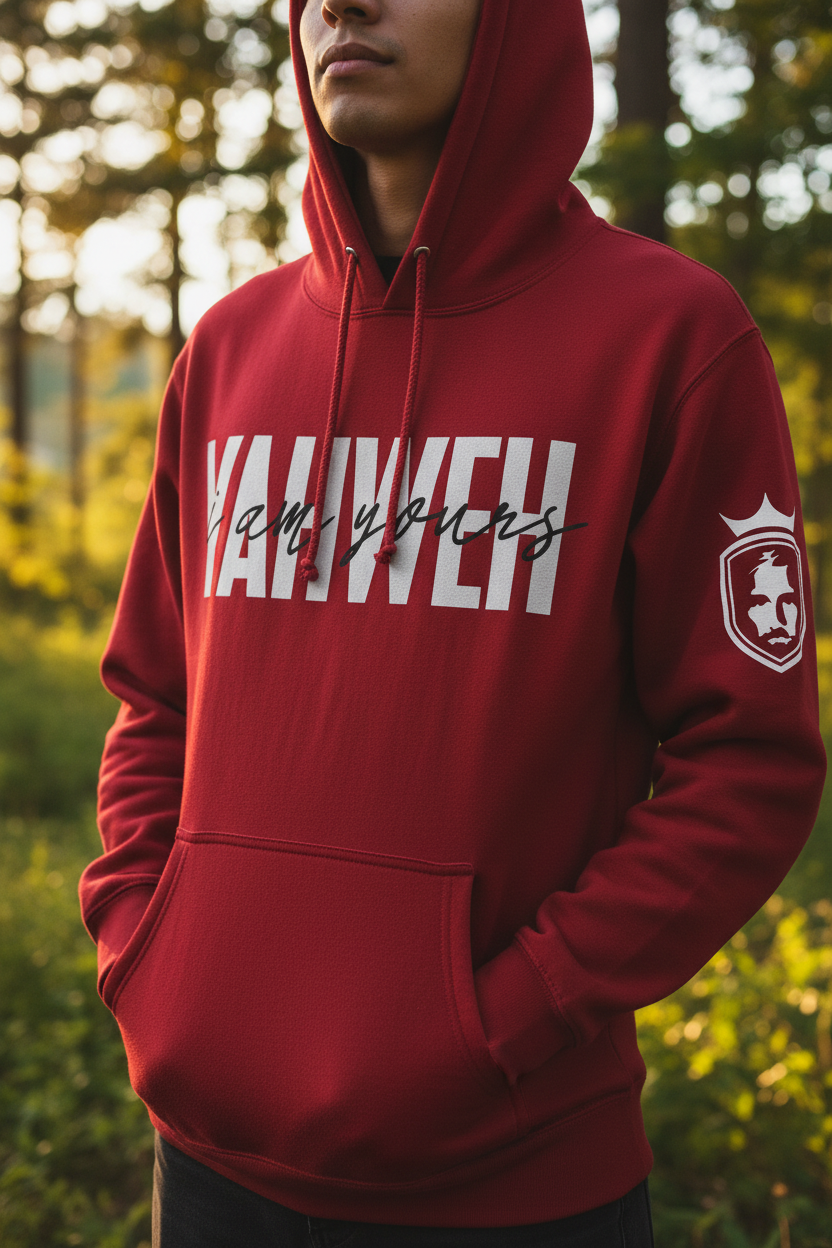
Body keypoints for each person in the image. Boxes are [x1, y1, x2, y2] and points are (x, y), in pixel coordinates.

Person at [79, 0, 827, 1243]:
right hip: (208, 1167)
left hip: (516, 1183)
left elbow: (747, 763)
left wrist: (511, 1018)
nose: (341, 4)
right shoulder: (228, 348)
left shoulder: (670, 339)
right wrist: (143, 952)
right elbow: (156, 700)